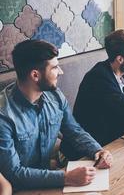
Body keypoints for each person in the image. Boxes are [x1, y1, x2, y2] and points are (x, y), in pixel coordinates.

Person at [0, 40, 113, 190]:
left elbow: (74, 131)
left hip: (51, 178)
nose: (61, 72)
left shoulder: (55, 96)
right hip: (19, 188)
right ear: (35, 75)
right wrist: (66, 177)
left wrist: (97, 150)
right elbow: (14, 174)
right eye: (54, 67)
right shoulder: (4, 116)